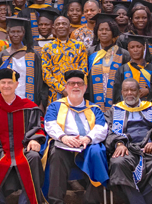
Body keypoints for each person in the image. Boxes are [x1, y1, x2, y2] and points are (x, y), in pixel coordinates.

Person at [0, 68, 47, 204]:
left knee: (34, 158)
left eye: (10, 82)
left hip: (23, 151)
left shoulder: (28, 107)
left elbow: (38, 127)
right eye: (3, 82)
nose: (6, 86)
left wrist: (35, 139)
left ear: (17, 85)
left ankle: (26, 202)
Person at [104, 78, 152, 204]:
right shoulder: (114, 111)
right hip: (127, 147)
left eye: (133, 90)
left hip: (151, 147)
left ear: (139, 92)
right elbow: (108, 132)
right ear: (122, 92)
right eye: (126, 90)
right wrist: (119, 144)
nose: (129, 93)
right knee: (117, 163)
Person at [43, 69, 108, 204]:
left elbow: (102, 127)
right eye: (72, 83)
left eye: (79, 83)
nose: (76, 86)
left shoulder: (95, 108)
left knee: (97, 153)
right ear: (66, 87)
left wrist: (88, 138)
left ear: (85, 88)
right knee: (56, 153)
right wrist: (63, 137)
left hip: (88, 144)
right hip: (64, 143)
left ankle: (92, 201)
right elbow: (49, 124)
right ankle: (56, 201)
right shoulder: (55, 106)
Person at [0, 17, 48, 106]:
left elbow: (41, 81)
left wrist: (41, 104)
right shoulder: (2, 56)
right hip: (8, 104)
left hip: (31, 103)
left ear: (23, 33)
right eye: (12, 32)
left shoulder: (33, 55)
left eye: (19, 31)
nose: (16, 35)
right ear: (8, 34)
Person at [41, 15, 88, 106]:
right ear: (54, 29)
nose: (61, 26)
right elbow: (45, 73)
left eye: (64, 24)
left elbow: (83, 70)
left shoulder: (79, 46)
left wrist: (72, 87)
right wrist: (62, 89)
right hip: (55, 94)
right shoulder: (47, 48)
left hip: (75, 91)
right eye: (58, 24)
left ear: (70, 28)